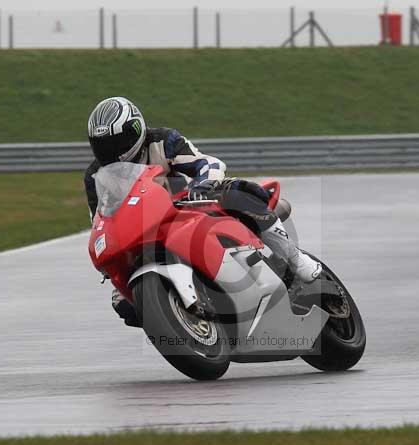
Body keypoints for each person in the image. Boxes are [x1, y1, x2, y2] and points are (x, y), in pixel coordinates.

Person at [84, 96, 321, 325]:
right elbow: (100, 221)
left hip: (189, 206)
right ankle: (186, 321)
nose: (110, 151)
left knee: (238, 192)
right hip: (144, 233)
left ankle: (296, 260)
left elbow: (208, 163)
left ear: (135, 131)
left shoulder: (162, 141)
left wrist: (202, 186)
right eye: (102, 145)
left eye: (115, 142)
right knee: (125, 305)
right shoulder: (96, 176)